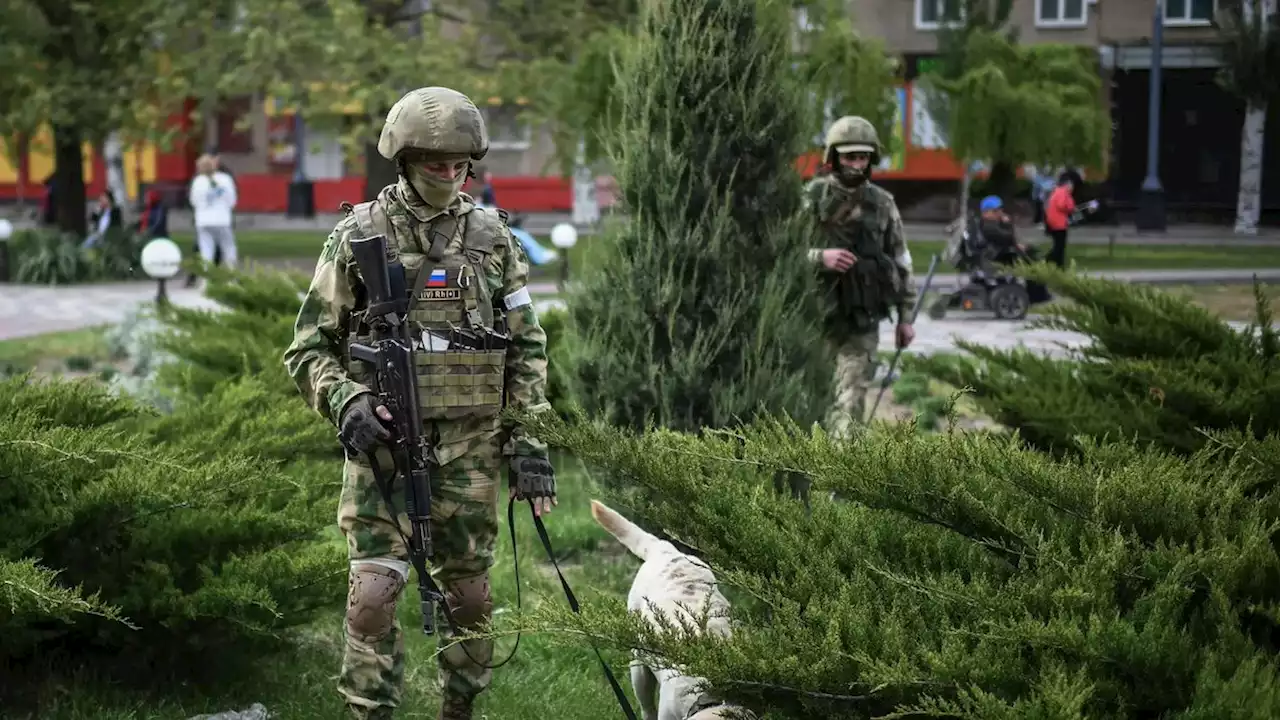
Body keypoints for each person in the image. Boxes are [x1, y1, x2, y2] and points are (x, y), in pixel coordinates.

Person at [281, 86, 556, 720]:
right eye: (434, 159)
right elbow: (306, 348)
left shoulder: (492, 238)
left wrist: (531, 445)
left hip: (469, 453)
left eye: (459, 161)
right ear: (404, 158)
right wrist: (345, 399)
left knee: (469, 601)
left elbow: (526, 348)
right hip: (382, 451)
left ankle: (460, 710)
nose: (448, 171)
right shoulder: (358, 236)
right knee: (373, 596)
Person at [803, 115, 917, 435]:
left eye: (862, 157)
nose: (856, 164)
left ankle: (842, 475)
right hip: (813, 319)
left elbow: (901, 260)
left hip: (861, 321)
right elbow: (779, 252)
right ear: (834, 157)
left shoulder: (882, 204)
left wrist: (905, 317)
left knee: (851, 399)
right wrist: (819, 257)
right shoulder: (811, 198)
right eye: (849, 156)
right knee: (810, 397)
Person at [188, 153, 239, 271]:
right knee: (228, 247)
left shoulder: (198, 181)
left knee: (206, 250)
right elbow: (232, 200)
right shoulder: (225, 179)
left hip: (203, 220)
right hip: (222, 219)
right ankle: (231, 276)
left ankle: (207, 278)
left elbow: (193, 201)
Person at [1043, 172, 1076, 268]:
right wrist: (1070, 209)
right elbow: (1061, 205)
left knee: (1059, 245)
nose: (1072, 187)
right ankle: (1048, 260)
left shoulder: (1057, 192)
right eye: (1071, 185)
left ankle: (1058, 264)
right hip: (1059, 224)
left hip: (1055, 222)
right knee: (1059, 246)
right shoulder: (1063, 192)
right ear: (1067, 184)